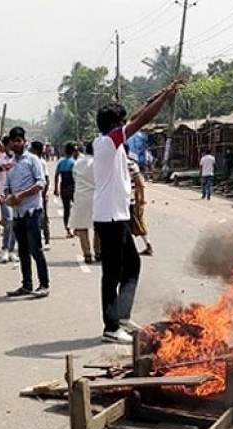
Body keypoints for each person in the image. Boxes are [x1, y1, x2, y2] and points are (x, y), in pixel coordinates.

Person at [93, 79, 184, 344]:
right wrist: (164, 100)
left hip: (117, 216)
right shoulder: (108, 143)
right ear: (115, 126)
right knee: (111, 272)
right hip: (110, 218)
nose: (126, 125)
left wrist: (162, 92)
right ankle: (110, 327)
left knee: (132, 264)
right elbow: (141, 119)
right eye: (122, 123)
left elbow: (136, 115)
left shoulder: (112, 142)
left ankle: (121, 316)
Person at [5, 127, 50, 299]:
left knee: (36, 249)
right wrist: (8, 196)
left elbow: (40, 183)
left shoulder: (32, 160)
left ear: (24, 141)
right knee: (22, 250)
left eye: (19, 140)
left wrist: (21, 195)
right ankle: (27, 284)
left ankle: (44, 284)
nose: (16, 144)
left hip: (32, 210)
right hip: (17, 212)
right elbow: (6, 186)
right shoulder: (11, 163)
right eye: (13, 141)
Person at [69, 142, 100, 263]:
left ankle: (87, 253)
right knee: (98, 226)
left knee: (82, 227)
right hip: (96, 196)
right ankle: (98, 251)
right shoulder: (98, 163)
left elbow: (75, 178)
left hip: (81, 196)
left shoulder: (78, 163)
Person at [0, 138, 17, 263]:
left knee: (14, 223)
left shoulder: (18, 160)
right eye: (9, 145)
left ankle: (11, 250)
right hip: (4, 196)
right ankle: (4, 248)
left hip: (17, 196)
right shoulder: (0, 160)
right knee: (9, 220)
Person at [128, 157, 153, 256]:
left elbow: (140, 183)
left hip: (130, 200)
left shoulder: (129, 164)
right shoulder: (131, 164)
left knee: (136, 224)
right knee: (137, 223)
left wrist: (141, 199)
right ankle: (148, 245)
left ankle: (147, 245)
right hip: (130, 199)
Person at [29, 141, 51, 250]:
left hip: (41, 194)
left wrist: (45, 193)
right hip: (32, 195)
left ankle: (47, 239)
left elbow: (46, 179)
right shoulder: (29, 161)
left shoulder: (42, 163)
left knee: (44, 217)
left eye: (31, 149)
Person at [54, 142, 77, 238]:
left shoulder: (61, 162)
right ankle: (76, 228)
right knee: (76, 208)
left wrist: (56, 188)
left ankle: (68, 229)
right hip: (72, 188)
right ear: (73, 151)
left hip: (63, 187)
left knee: (66, 209)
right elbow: (76, 177)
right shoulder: (74, 163)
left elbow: (56, 175)